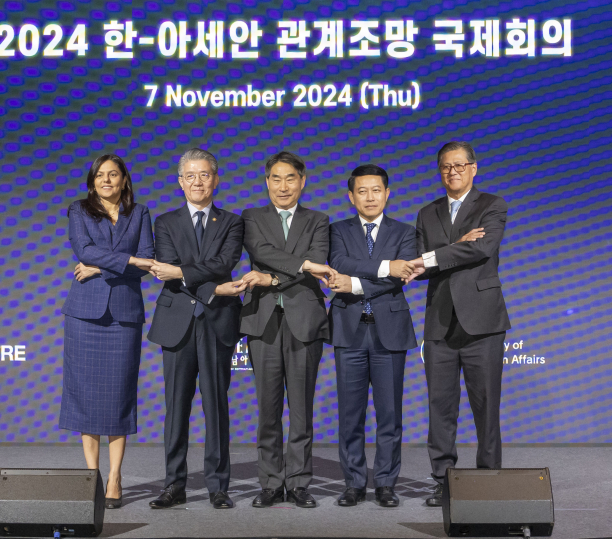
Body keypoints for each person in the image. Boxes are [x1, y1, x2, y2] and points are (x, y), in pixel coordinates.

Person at [145, 149, 247, 510]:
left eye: (204, 175)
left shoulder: (233, 222)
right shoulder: (165, 222)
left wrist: (192, 277)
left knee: (216, 406)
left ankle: (219, 485)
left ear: (216, 180)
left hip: (218, 321)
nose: (197, 182)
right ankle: (174, 484)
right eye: (190, 176)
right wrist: (213, 286)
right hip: (177, 324)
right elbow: (167, 268)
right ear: (180, 182)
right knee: (176, 408)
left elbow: (224, 262)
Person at [409, 141, 509, 507]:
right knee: (441, 407)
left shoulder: (492, 205)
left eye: (460, 165)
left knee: (486, 406)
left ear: (474, 168)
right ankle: (443, 480)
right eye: (446, 167)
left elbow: (480, 249)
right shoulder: (426, 212)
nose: (453, 172)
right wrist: (446, 251)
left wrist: (435, 255)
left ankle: (488, 479)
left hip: (483, 322)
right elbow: (416, 266)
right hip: (439, 321)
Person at [60, 154, 155, 509]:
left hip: (124, 315)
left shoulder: (140, 213)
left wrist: (100, 269)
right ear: (92, 181)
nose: (106, 180)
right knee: (86, 398)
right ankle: (92, 477)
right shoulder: (79, 211)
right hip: (85, 315)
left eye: (113, 174)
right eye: (100, 175)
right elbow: (83, 249)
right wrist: (128, 262)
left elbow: (147, 260)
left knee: (118, 396)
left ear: (124, 180)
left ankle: (114, 476)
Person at [323, 164, 420, 508]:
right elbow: (339, 262)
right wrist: (384, 267)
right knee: (351, 414)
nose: (370, 197)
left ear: (387, 193)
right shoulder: (336, 231)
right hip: (348, 330)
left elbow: (402, 273)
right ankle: (353, 483)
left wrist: (357, 283)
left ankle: (385, 483)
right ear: (351, 197)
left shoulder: (406, 232)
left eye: (376, 190)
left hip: (389, 332)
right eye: (362, 191)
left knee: (389, 414)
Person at [239, 151, 332, 509]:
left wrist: (273, 276)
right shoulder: (251, 218)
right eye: (275, 179)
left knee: (301, 409)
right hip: (262, 322)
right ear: (266, 182)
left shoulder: (319, 220)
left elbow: (318, 264)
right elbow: (261, 250)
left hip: (304, 322)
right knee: (268, 408)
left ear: (302, 181)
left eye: (290, 178)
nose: (283, 186)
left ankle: (298, 483)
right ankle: (269, 482)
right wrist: (303, 265)